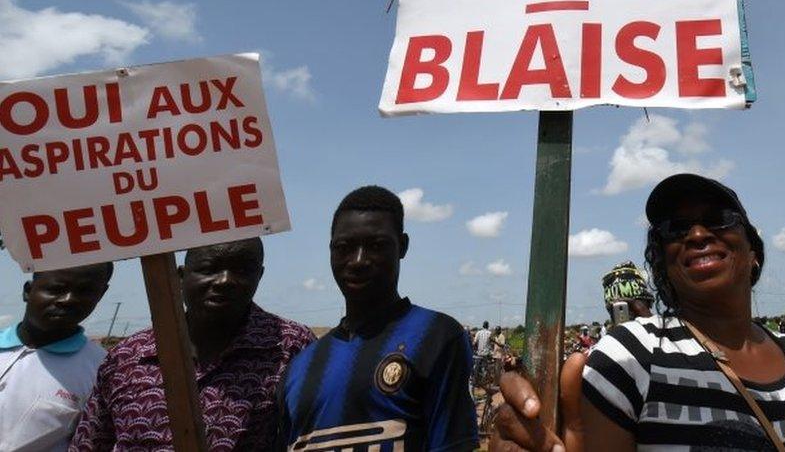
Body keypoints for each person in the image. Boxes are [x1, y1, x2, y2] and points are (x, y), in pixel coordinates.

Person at [491, 174, 785, 451]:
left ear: (753, 252)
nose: (698, 234)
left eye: (718, 218)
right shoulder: (631, 354)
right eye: (676, 229)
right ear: (664, 266)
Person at [276, 185, 478, 451]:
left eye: (376, 246)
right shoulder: (299, 368)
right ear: (330, 251)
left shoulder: (437, 337)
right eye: (344, 247)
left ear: (402, 246)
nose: (358, 260)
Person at [70, 238, 316, 450]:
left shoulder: (292, 347)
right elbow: (89, 444)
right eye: (209, 269)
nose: (225, 281)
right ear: (180, 276)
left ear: (259, 275)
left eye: (242, 270)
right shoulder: (127, 357)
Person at [0, 263, 111, 451]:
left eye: (84, 291)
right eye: (56, 289)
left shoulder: (103, 370)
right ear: (28, 291)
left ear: (100, 295)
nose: (68, 300)